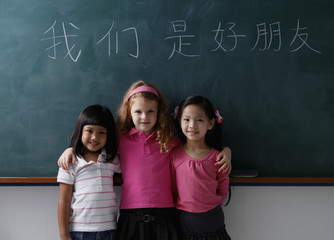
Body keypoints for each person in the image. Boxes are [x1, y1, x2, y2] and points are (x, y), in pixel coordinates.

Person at [58, 81, 232, 240]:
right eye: (138, 112)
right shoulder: (121, 140)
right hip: (130, 214)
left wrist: (226, 150)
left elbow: (195, 147)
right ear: (129, 112)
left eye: (150, 111)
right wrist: (70, 149)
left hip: (166, 213)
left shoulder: (170, 140)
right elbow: (94, 146)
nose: (144, 117)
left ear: (158, 112)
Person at [171, 95, 231, 239]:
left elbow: (223, 186)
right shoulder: (174, 155)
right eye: (187, 119)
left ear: (210, 123)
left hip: (212, 219)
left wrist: (211, 203)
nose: (192, 125)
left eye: (199, 120)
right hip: (184, 220)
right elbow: (172, 187)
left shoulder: (218, 157)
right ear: (179, 121)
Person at [57, 105, 120, 240]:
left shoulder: (112, 159)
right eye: (89, 131)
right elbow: (64, 200)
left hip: (109, 229)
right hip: (81, 231)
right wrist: (63, 235)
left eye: (101, 132)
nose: (94, 137)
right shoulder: (71, 161)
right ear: (80, 131)